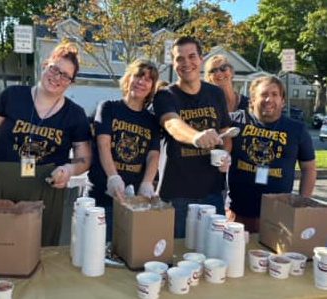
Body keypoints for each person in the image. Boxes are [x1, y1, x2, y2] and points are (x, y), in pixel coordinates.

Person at [0, 42, 92, 246]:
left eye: (65, 75)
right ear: (44, 65)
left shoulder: (75, 114)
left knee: (38, 252)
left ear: (71, 82)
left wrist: (69, 169)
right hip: (0, 181)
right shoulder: (12, 96)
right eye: (54, 69)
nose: (57, 77)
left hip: (45, 188)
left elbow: (84, 158)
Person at [152, 36, 232, 238]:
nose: (186, 63)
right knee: (178, 258)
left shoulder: (216, 94)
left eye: (192, 56)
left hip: (213, 192)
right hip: (177, 194)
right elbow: (172, 123)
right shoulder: (165, 95)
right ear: (173, 63)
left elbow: (225, 133)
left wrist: (226, 155)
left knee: (214, 255)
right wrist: (196, 137)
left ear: (201, 59)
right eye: (180, 58)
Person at [228, 76, 316, 232]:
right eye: (264, 94)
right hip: (238, 213)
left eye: (275, 94)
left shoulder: (297, 130)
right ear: (253, 99)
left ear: (282, 101)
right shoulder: (236, 122)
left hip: (278, 215)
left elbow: (309, 168)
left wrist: (302, 202)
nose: (269, 99)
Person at [88, 59, 161, 241]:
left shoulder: (152, 120)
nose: (142, 82)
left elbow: (153, 155)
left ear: (151, 87)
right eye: (138, 75)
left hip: (132, 201)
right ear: (128, 78)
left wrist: (147, 183)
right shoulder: (108, 107)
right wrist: (113, 177)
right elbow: (103, 143)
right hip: (102, 195)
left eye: (148, 79)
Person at [204, 54, 249, 123]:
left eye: (223, 68)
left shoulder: (248, 104)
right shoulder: (206, 106)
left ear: (231, 72)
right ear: (209, 78)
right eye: (213, 70)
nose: (218, 73)